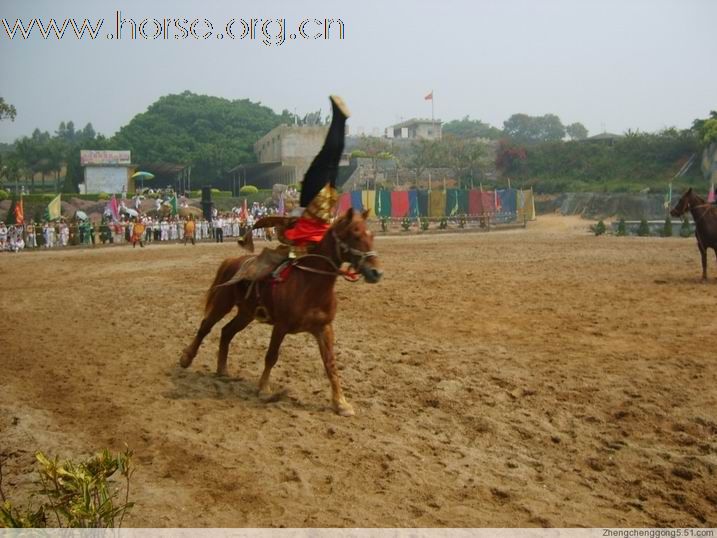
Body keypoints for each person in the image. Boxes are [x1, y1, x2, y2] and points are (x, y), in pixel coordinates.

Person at [235, 95, 350, 281]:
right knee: (328, 155)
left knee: (332, 157)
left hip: (324, 205)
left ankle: (340, 118)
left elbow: (285, 237)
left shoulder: (301, 240)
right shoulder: (304, 237)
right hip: (316, 205)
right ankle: (339, 117)